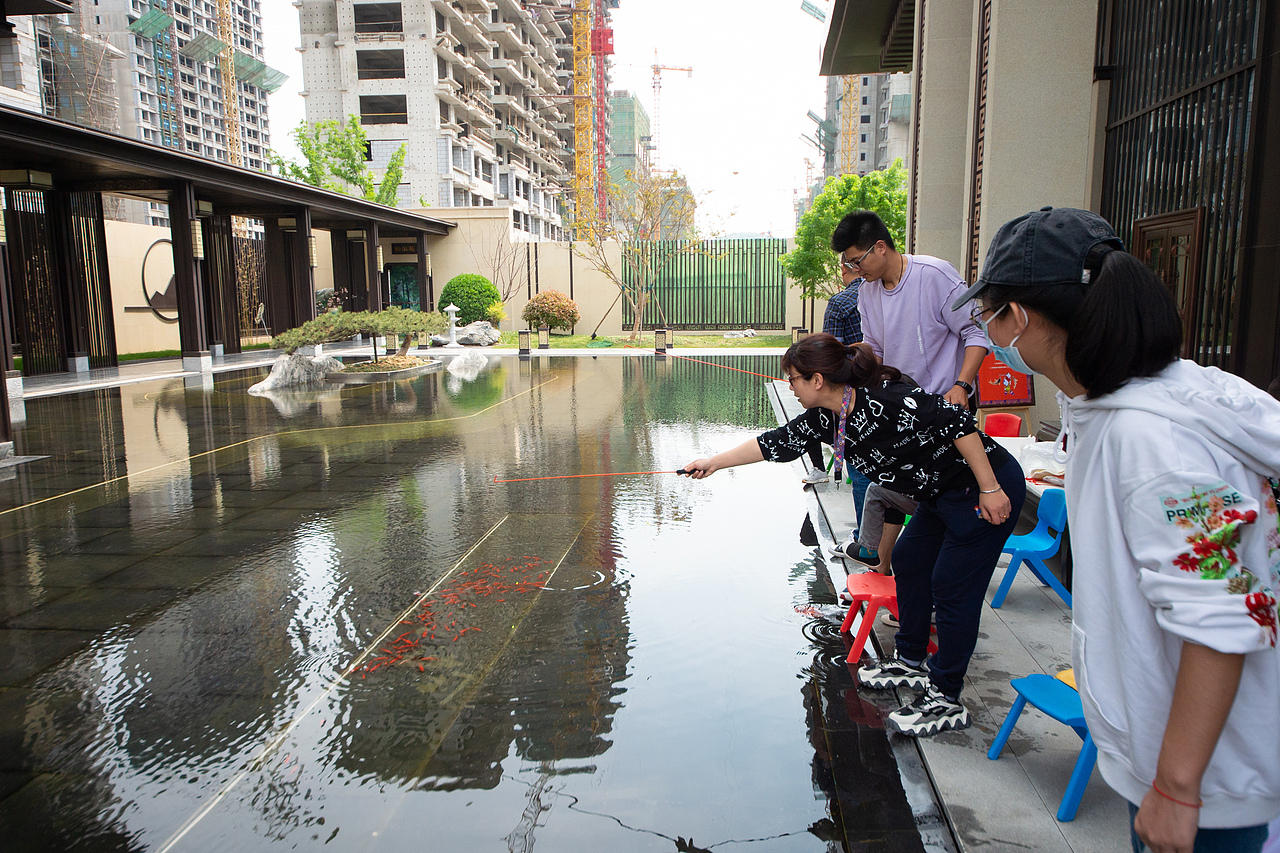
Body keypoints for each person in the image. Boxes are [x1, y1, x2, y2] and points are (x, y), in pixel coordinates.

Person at [956, 206, 1280, 853]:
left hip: (1209, 786)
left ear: (1018, 317)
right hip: (1171, 756)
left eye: (987, 315)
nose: (986, 332)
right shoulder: (1110, 404)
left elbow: (1220, 618)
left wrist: (1178, 787)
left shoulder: (1153, 439)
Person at [681, 334, 1024, 736]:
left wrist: (989, 488)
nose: (789, 386)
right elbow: (773, 444)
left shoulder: (887, 399)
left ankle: (946, 697)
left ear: (817, 379)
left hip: (982, 487)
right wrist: (714, 463)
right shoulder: (829, 418)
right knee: (910, 559)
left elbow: (958, 421)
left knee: (952, 586)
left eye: (792, 378)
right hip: (939, 492)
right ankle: (910, 661)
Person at [829, 211, 987, 555]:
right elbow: (877, 350)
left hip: (944, 408)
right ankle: (883, 565)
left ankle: (930, 559)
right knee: (888, 485)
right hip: (902, 411)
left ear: (880, 247)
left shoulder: (934, 276)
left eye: (857, 261)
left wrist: (961, 385)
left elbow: (975, 332)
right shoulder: (867, 293)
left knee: (935, 496)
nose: (856, 271)